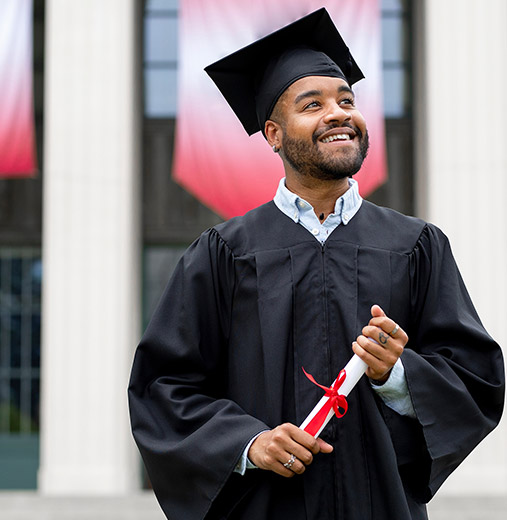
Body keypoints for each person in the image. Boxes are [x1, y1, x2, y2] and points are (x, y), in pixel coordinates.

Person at [128, 8, 504, 520]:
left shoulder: (416, 246)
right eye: (313, 104)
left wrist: (398, 371)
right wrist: (247, 443)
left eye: (347, 100)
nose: (339, 112)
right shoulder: (223, 253)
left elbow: (476, 380)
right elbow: (164, 386)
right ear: (274, 134)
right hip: (265, 508)